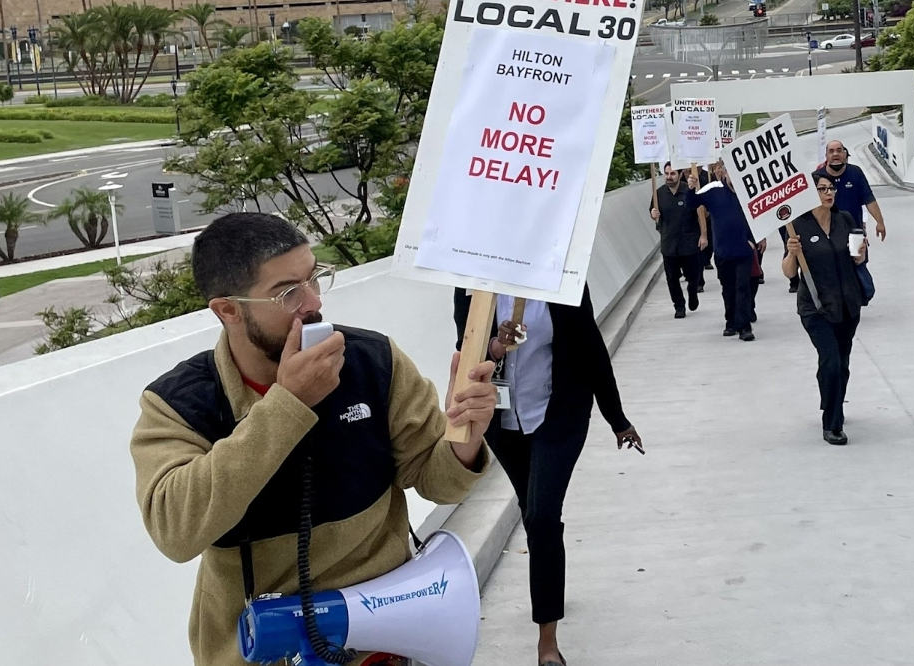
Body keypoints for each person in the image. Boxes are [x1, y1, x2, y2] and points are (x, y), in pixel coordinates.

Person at [131, 213, 497, 666]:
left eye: (315, 278)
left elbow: (434, 480)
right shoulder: (179, 403)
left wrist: (464, 437)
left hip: (385, 637)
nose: (312, 303)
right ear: (228, 310)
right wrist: (287, 405)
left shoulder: (372, 361)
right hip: (259, 649)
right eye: (286, 292)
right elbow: (176, 531)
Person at [453, 287, 641, 666]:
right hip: (502, 422)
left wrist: (617, 419)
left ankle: (547, 644)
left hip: (558, 416)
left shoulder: (563, 279)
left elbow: (590, 345)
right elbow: (464, 349)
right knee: (533, 509)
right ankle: (549, 572)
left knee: (541, 517)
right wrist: (494, 346)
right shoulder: (472, 284)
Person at [782, 171, 867, 445]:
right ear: (810, 193)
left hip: (848, 305)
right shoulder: (798, 226)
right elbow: (788, 272)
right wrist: (792, 252)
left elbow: (858, 259)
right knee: (830, 361)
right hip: (816, 307)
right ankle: (832, 424)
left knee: (840, 364)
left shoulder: (845, 220)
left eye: (831, 188)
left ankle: (832, 401)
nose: (829, 193)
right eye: (822, 189)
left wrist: (861, 255)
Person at [686, 167, 762, 340]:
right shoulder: (714, 191)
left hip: (744, 250)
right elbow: (692, 203)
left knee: (743, 287)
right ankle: (731, 321)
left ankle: (745, 327)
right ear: (725, 173)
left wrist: (752, 239)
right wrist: (691, 188)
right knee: (728, 288)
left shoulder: (749, 191)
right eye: (730, 172)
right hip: (722, 251)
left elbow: (760, 214)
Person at [650, 162, 708, 318]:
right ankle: (679, 306)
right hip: (669, 242)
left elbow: (702, 214)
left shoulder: (689, 191)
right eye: (667, 174)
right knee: (672, 278)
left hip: (689, 241)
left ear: (680, 174)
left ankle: (692, 292)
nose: (669, 177)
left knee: (693, 274)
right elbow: (654, 213)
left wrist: (703, 235)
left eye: (673, 173)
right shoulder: (659, 194)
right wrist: (653, 214)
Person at [822, 140, 887, 237]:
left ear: (845, 154)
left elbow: (869, 199)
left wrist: (880, 222)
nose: (835, 154)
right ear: (826, 156)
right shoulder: (818, 177)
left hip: (854, 231)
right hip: (828, 234)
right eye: (831, 151)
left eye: (839, 150)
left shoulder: (855, 172)